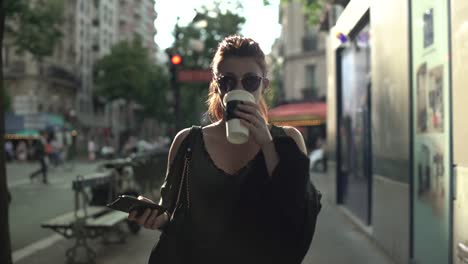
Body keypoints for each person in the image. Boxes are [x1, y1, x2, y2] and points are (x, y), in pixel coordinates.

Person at [128, 35, 321, 264]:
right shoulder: (188, 141)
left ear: (264, 85)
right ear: (216, 85)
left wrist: (267, 144)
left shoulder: (287, 140)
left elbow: (299, 216)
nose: (237, 89)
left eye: (250, 81)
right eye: (227, 81)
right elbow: (172, 216)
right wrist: (154, 217)